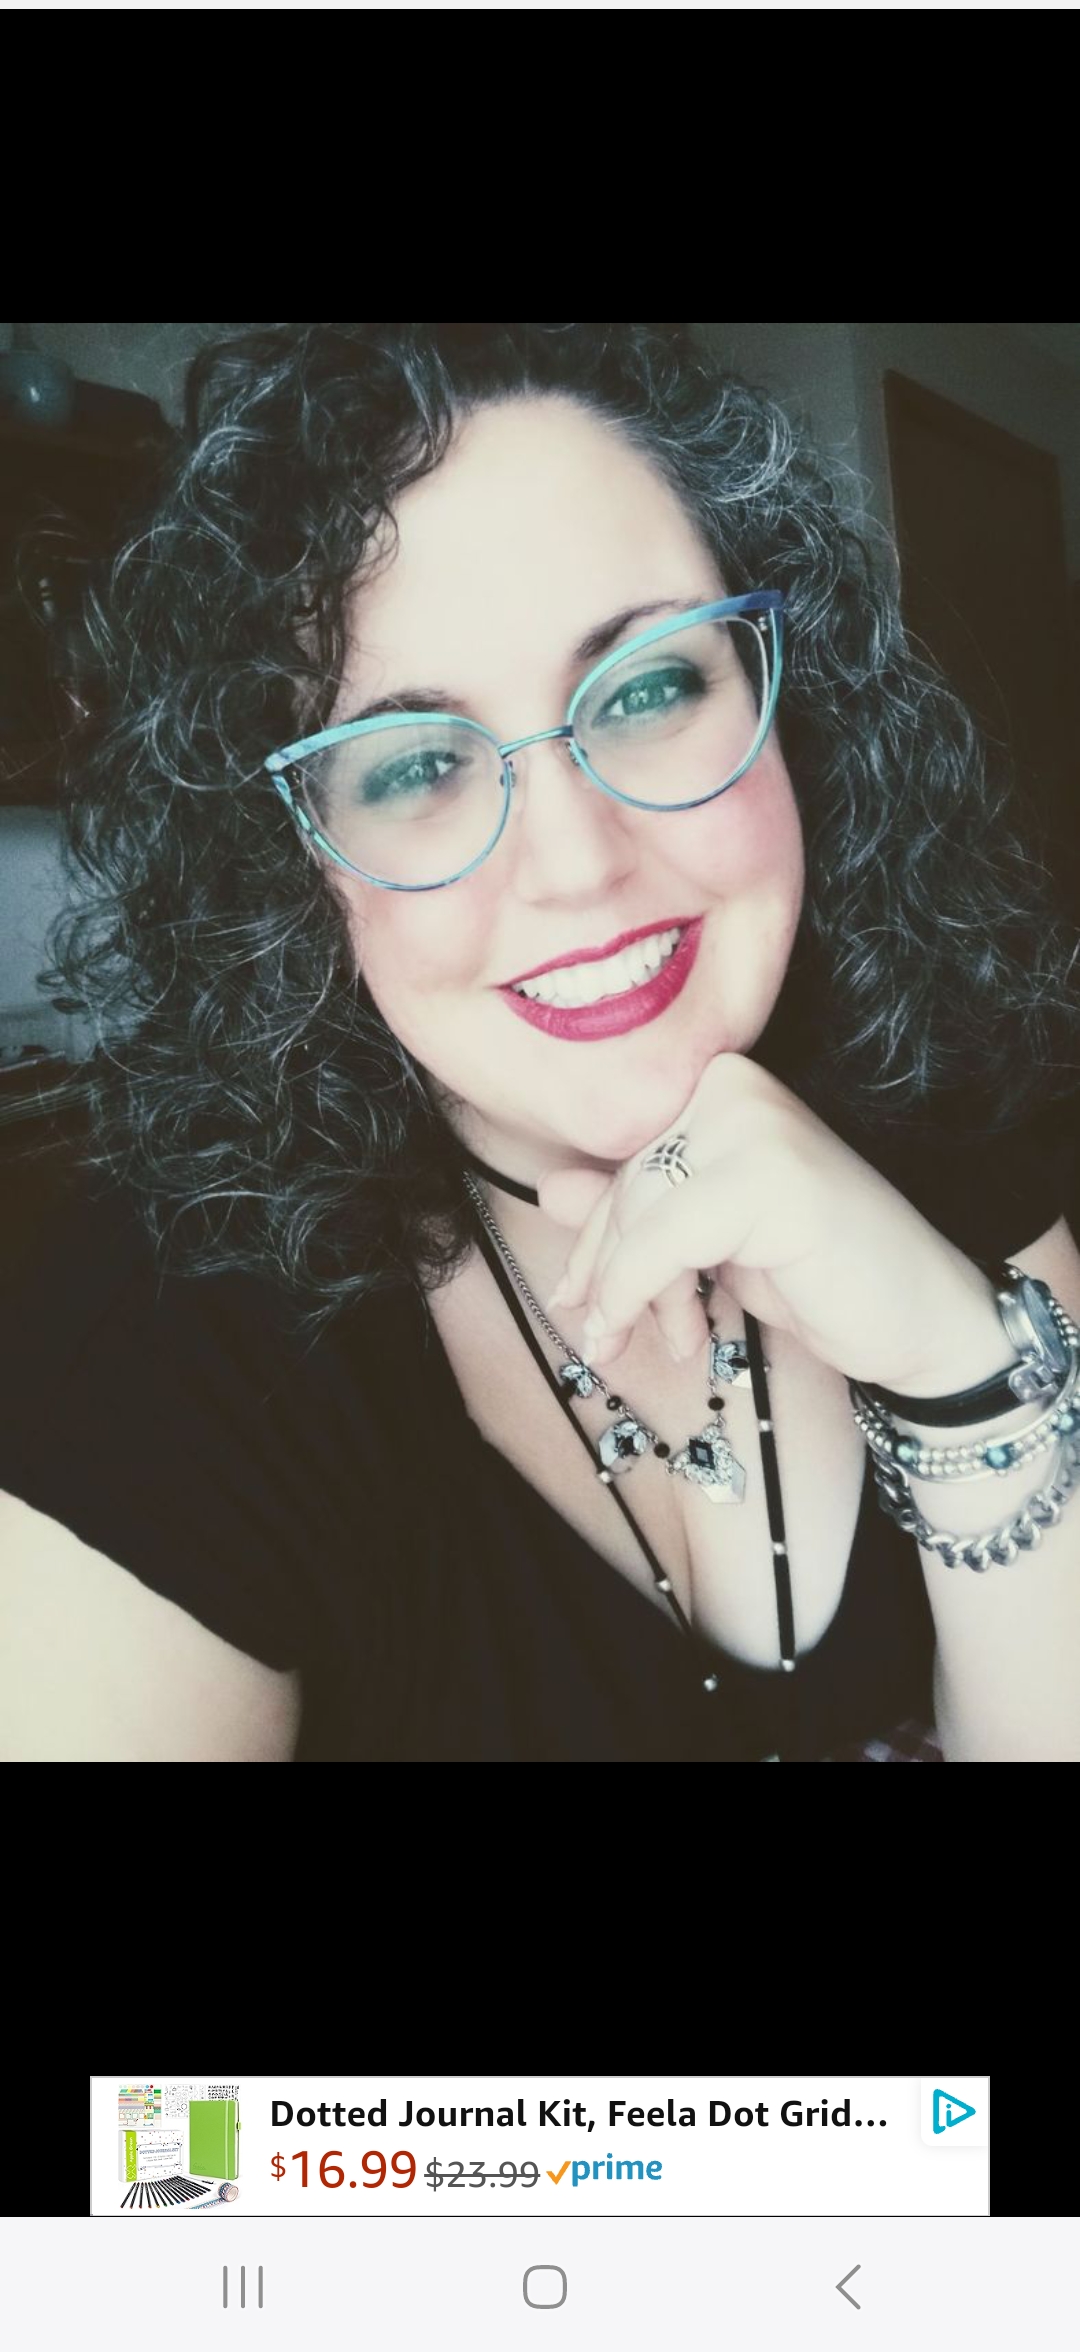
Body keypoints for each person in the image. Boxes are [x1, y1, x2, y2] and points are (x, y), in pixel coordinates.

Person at [2, 321, 1079, 1764]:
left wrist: (965, 1373)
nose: (577, 864)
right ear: (291, 862)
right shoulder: (164, 1354)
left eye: (647, 687)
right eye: (415, 765)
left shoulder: (950, 1108)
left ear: (784, 696)